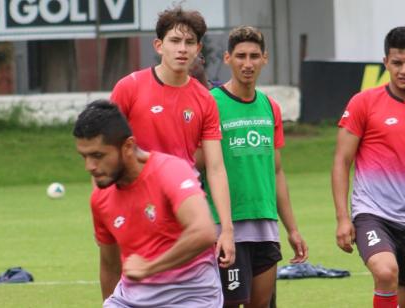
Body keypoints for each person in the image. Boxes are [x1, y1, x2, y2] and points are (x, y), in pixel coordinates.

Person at [110, 6, 235, 267]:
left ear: (198, 49)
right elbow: (108, 155)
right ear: (159, 45)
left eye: (190, 42)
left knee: (191, 285)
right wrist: (106, 209)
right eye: (175, 41)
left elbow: (215, 168)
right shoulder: (129, 88)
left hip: (186, 205)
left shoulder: (206, 100)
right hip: (136, 205)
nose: (182, 49)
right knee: (132, 281)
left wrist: (226, 229)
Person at [332, 25, 405, 308]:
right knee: (385, 271)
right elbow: (342, 162)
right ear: (386, 63)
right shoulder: (363, 103)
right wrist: (343, 217)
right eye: (397, 63)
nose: (404, 70)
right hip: (373, 214)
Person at [73, 100, 223, 307]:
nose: (89, 166)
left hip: (191, 296)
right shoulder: (100, 198)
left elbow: (204, 232)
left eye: (98, 156)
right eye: (84, 157)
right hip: (131, 299)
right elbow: (110, 266)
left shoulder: (170, 171)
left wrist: (150, 267)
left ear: (127, 146)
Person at [201, 26, 308, 308]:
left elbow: (276, 171)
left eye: (254, 56)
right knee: (227, 303)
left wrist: (292, 229)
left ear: (265, 59)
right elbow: (201, 164)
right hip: (226, 226)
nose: (247, 64)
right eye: (240, 56)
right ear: (227, 58)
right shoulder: (211, 103)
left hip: (265, 226)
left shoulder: (269, 107)